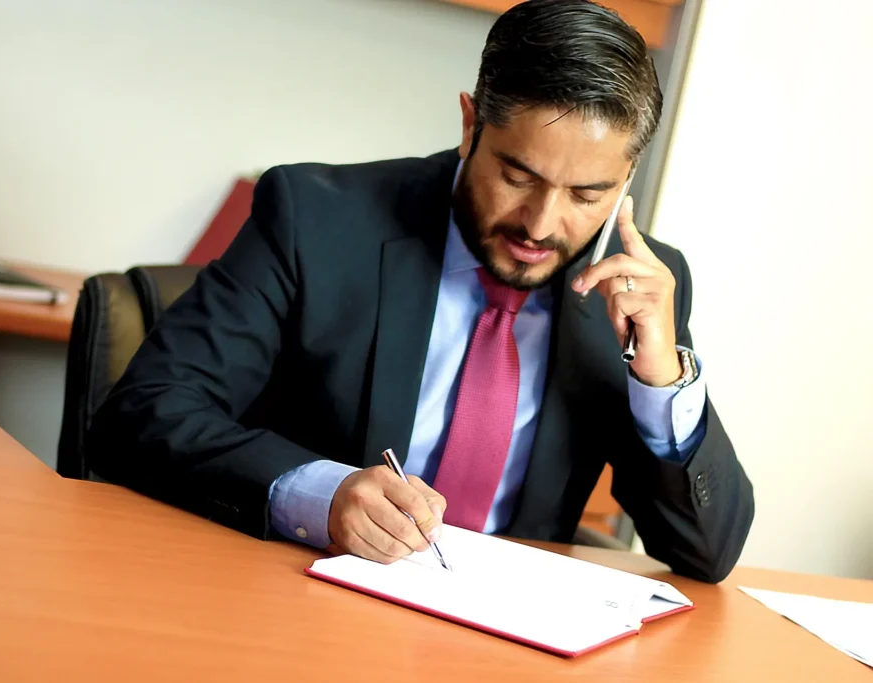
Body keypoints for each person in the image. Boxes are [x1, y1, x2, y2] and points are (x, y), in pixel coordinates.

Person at [87, 0, 753, 583]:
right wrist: (321, 493)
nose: (542, 225)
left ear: (627, 174)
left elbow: (707, 552)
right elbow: (143, 413)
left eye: (588, 195)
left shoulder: (643, 288)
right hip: (291, 601)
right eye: (518, 176)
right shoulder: (314, 219)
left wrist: (663, 381)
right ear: (470, 125)